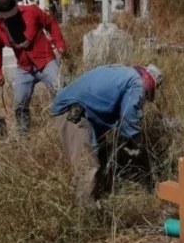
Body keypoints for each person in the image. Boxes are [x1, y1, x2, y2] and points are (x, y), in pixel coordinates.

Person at [50, 64, 164, 206]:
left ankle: (96, 196)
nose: (145, 97)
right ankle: (86, 214)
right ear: (150, 84)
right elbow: (129, 116)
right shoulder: (137, 83)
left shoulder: (124, 72)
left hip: (82, 112)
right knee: (88, 166)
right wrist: (137, 143)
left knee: (101, 154)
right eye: (148, 94)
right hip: (73, 114)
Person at [0, 0, 67, 134]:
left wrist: (60, 43)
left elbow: (51, 23)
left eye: (13, 15)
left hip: (45, 61)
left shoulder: (31, 12)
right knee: (20, 103)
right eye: (7, 17)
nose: (11, 19)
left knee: (61, 91)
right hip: (24, 67)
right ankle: (24, 134)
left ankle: (65, 128)